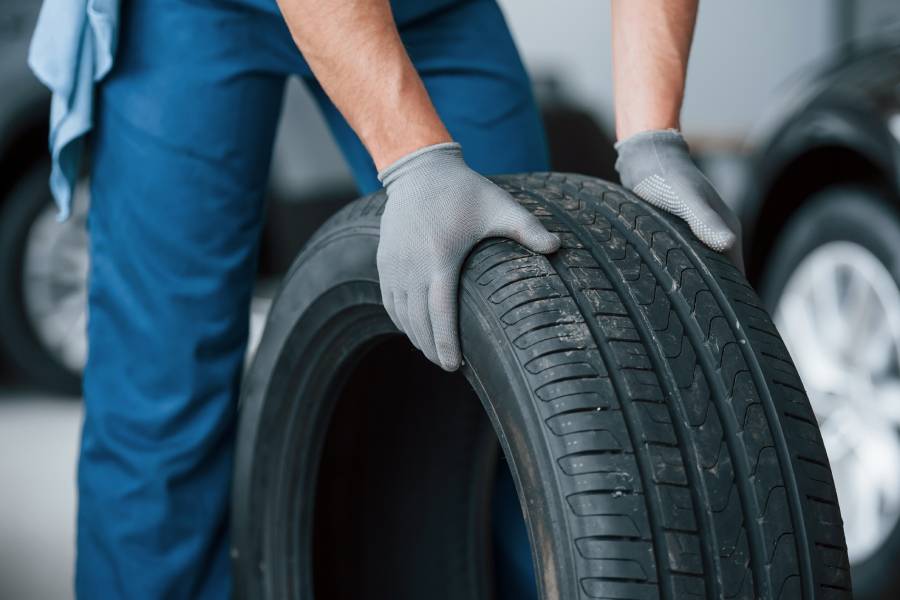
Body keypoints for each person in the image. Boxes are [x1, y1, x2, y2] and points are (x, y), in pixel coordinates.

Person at [28, 0, 741, 597]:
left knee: (540, 349)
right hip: (185, 13)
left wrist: (651, 136)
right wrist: (416, 159)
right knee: (159, 395)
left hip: (430, 8)